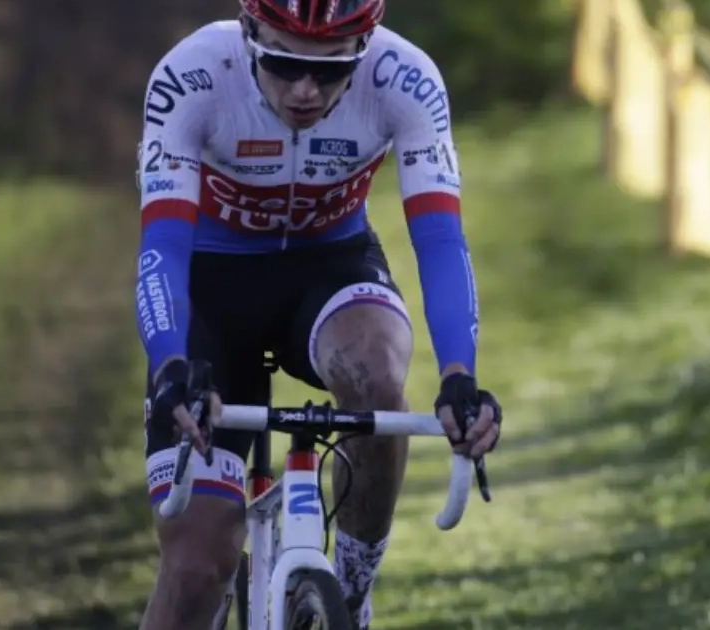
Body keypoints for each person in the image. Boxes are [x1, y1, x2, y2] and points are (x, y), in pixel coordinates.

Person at [134, 1, 502, 628]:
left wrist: (459, 376)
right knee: (195, 570)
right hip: (211, 289)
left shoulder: (405, 77)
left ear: (365, 45)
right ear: (249, 32)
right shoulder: (193, 74)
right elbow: (162, 244)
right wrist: (170, 362)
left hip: (330, 270)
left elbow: (441, 238)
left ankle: (351, 596)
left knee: (378, 374)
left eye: (331, 70)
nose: (305, 90)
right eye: (282, 64)